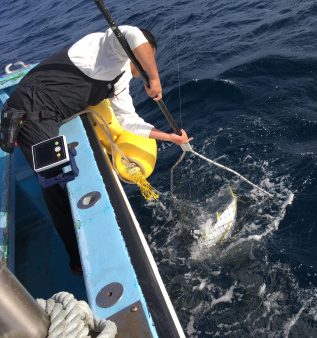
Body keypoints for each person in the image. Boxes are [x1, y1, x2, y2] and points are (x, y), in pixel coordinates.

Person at [0, 26, 190, 274]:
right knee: (57, 183)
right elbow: (132, 34)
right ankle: (78, 260)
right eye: (145, 59)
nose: (144, 67)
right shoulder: (103, 47)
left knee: (62, 180)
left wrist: (170, 137)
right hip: (32, 113)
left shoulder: (119, 80)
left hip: (51, 117)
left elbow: (128, 120)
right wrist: (153, 79)